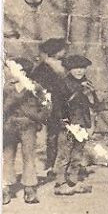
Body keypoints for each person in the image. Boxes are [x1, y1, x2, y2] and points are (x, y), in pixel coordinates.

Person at [3, 53, 55, 204]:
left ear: (24, 72)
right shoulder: (7, 88)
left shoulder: (35, 87)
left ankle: (30, 187)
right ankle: (5, 188)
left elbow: (47, 105)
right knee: (7, 157)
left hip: (28, 126)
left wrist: (39, 117)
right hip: (9, 126)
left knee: (29, 156)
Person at [52, 55, 96, 195]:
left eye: (82, 68)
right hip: (67, 123)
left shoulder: (87, 83)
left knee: (77, 153)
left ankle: (73, 180)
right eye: (75, 68)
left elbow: (95, 104)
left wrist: (91, 95)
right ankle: (60, 183)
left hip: (82, 122)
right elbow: (59, 105)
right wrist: (63, 121)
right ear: (69, 69)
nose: (79, 71)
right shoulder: (62, 84)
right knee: (64, 154)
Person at [28, 38, 70, 183]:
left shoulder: (64, 65)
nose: (64, 52)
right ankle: (51, 165)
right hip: (52, 106)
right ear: (55, 51)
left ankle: (63, 165)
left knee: (63, 136)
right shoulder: (43, 68)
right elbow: (37, 87)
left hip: (64, 105)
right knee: (53, 136)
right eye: (62, 49)